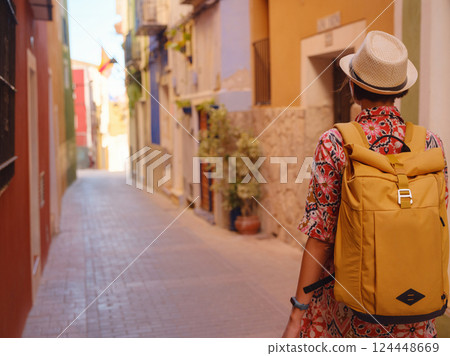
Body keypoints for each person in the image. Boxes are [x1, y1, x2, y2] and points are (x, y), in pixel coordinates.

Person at [282, 30, 448, 338]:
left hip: (350, 313)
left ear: (354, 86)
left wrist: (297, 313)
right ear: (401, 91)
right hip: (416, 315)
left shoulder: (335, 143)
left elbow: (321, 235)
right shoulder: (430, 144)